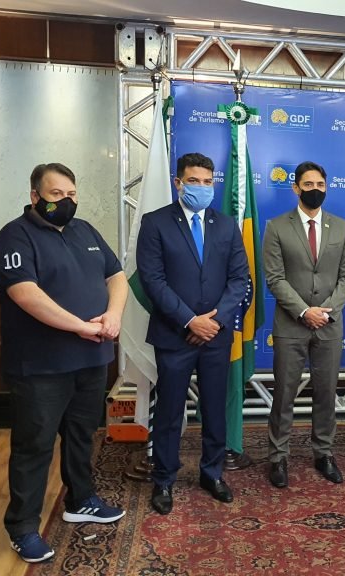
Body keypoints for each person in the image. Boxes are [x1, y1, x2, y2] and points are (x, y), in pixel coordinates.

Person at [0, 162, 127, 563]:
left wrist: (113, 315)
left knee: (82, 435)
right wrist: (80, 327)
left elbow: (116, 276)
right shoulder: (14, 237)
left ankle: (81, 499)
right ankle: (23, 527)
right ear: (35, 196)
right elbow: (25, 294)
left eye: (71, 194)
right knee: (34, 445)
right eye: (55, 195)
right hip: (40, 366)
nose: (65, 201)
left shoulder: (85, 231)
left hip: (91, 359)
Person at [137, 152, 249, 512]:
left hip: (216, 336)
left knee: (215, 408)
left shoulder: (227, 225)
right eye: (194, 181)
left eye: (207, 181)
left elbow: (239, 279)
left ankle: (212, 473)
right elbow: (153, 280)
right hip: (174, 335)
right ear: (178, 183)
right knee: (169, 411)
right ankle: (164, 479)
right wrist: (189, 320)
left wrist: (214, 322)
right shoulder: (155, 223)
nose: (202, 187)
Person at [264, 161, 345, 488]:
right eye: (308, 185)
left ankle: (324, 453)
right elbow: (274, 278)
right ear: (295, 188)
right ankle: (278, 457)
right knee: (284, 394)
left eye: (320, 185)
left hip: (329, 326)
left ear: (326, 187)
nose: (314, 190)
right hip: (291, 325)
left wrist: (326, 312)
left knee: (326, 393)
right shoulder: (276, 227)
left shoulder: (341, 227)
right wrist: (304, 311)